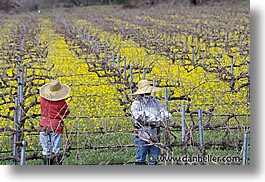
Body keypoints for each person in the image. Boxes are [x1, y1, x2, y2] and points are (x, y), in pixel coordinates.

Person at [130, 79, 172, 165]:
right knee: (140, 160)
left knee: (154, 160)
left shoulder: (156, 102)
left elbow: (162, 112)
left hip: (155, 135)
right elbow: (138, 116)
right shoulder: (136, 104)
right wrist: (154, 118)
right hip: (141, 135)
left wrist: (167, 117)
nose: (147, 94)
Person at [39, 80, 70, 165]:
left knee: (45, 148)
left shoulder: (42, 99)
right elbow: (66, 112)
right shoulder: (61, 102)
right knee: (56, 149)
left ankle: (46, 165)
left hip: (43, 124)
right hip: (56, 126)